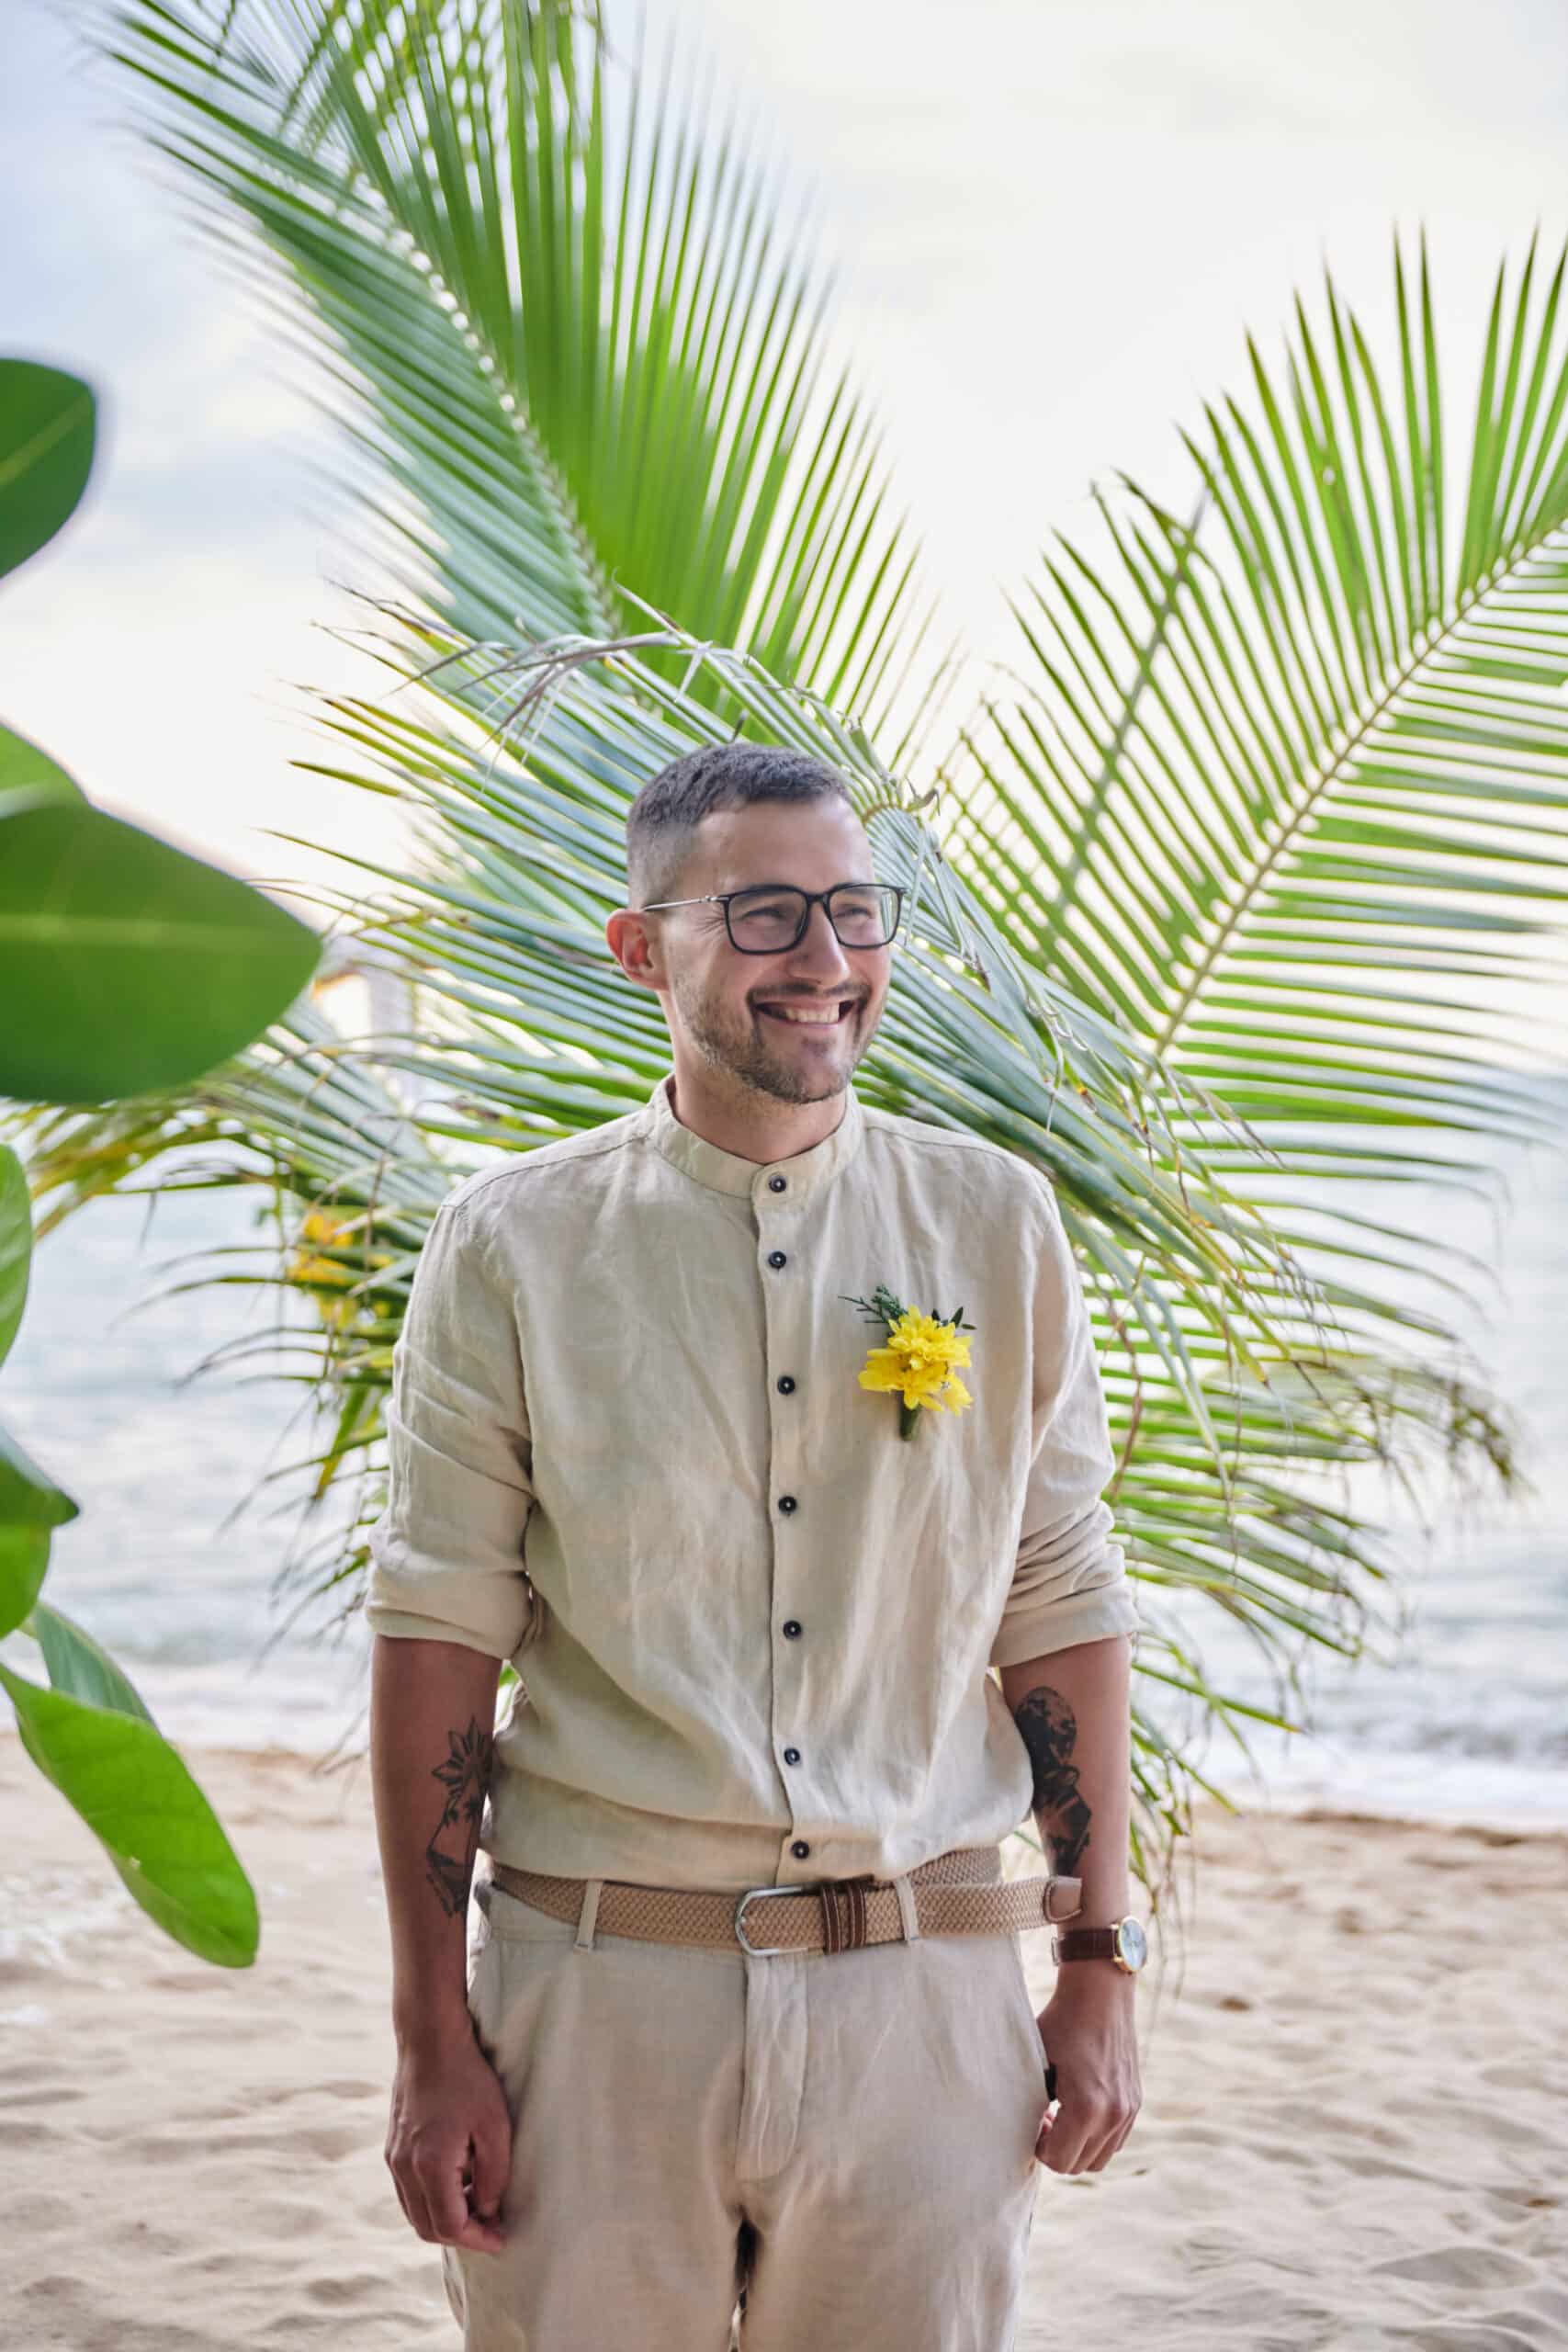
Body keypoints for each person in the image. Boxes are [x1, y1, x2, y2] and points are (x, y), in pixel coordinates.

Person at [365, 740, 1145, 2351]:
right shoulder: (512, 1244)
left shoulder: (995, 1224)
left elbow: (1059, 1601)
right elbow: (438, 1634)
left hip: (923, 2003)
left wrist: (1100, 1960)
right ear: (643, 946)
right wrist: (433, 2038)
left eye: (858, 912)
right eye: (771, 913)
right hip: (595, 2002)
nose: (829, 962)